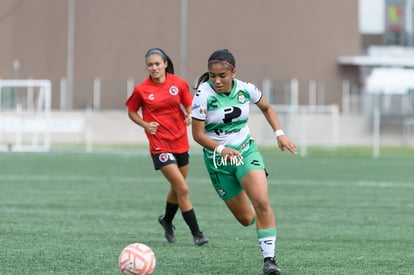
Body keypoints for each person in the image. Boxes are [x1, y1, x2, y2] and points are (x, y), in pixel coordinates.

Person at [191, 49, 297, 274]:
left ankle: (269, 260)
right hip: (218, 161)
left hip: (245, 151)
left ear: (233, 73)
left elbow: (267, 107)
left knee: (261, 202)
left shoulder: (246, 89)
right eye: (212, 76)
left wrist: (279, 133)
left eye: (222, 76)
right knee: (246, 218)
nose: (217, 80)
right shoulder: (202, 94)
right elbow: (198, 135)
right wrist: (221, 149)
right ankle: (255, 216)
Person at [125, 48, 208, 246]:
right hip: (159, 145)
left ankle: (167, 220)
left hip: (180, 141)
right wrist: (145, 125)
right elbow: (131, 112)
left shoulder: (178, 83)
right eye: (150, 64)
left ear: (164, 64)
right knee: (183, 188)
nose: (153, 67)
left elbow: (189, 104)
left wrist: (189, 114)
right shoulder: (141, 90)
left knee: (177, 187)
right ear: (147, 67)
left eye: (157, 64)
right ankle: (197, 233)